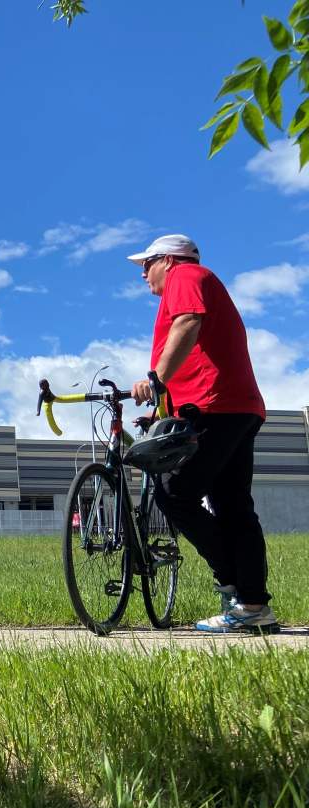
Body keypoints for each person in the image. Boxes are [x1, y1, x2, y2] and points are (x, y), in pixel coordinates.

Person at [125, 234, 277, 634]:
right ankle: (253, 606)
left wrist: (155, 379)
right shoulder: (194, 279)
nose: (142, 273)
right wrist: (163, 409)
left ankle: (231, 582)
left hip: (216, 405)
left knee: (176, 493)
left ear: (168, 260)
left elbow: (189, 322)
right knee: (233, 506)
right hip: (234, 406)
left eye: (147, 264)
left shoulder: (187, 276)